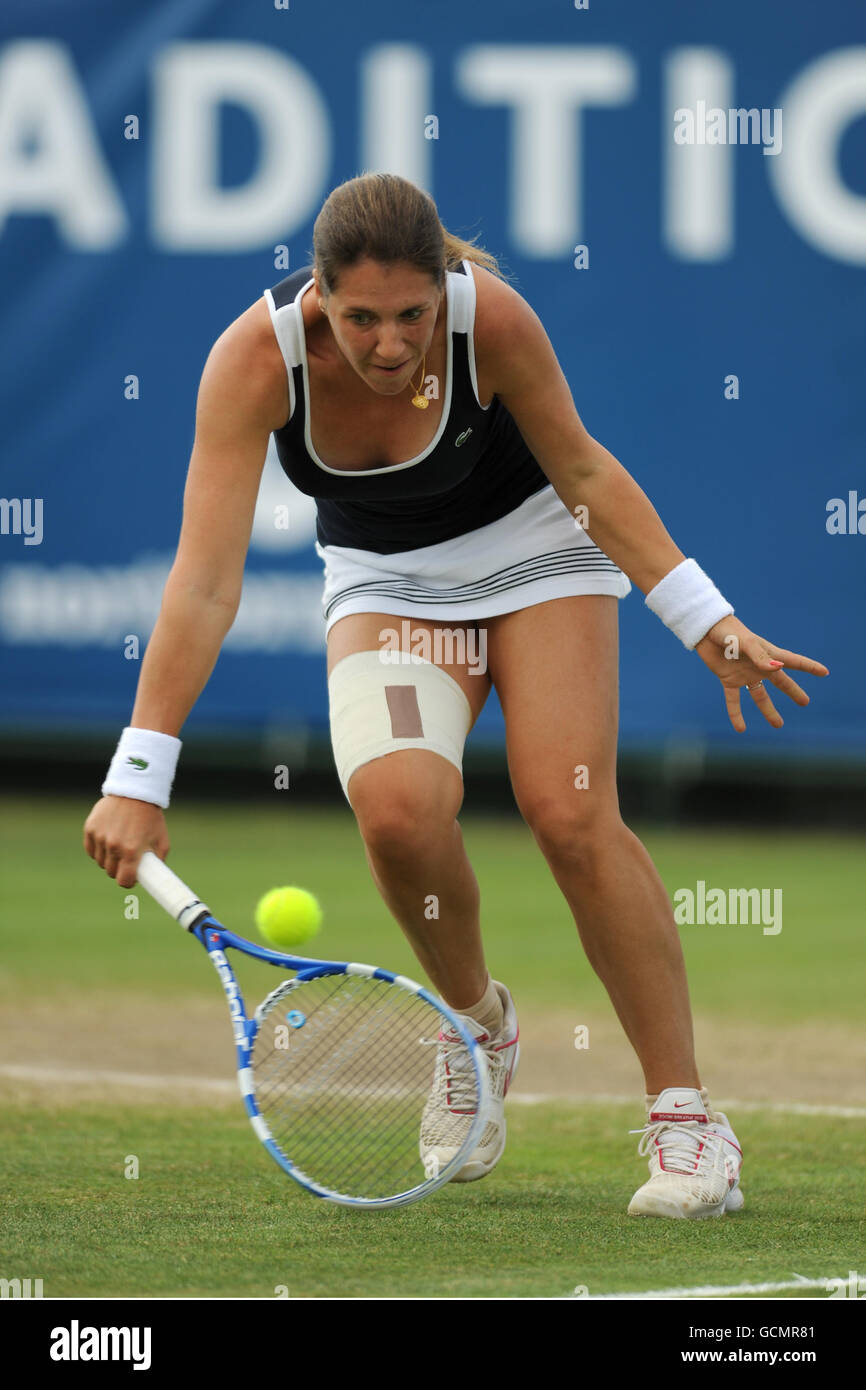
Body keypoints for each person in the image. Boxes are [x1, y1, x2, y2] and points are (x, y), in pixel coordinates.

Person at [83, 172, 828, 1219]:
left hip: (537, 556)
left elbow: (585, 473)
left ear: (444, 289)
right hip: (385, 581)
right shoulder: (253, 360)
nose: (388, 345)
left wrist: (703, 617)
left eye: (411, 316)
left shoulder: (494, 323)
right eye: (359, 318)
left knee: (569, 810)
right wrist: (138, 773)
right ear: (317, 299)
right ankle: (477, 1028)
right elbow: (204, 582)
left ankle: (684, 1116)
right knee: (394, 812)